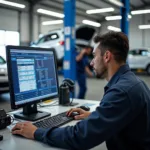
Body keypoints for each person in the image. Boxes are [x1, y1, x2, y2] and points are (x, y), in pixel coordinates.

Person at [12, 32, 150, 150]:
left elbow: (80, 137)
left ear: (107, 56)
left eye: (95, 56)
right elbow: (120, 114)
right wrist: (92, 116)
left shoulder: (121, 91)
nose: (91, 62)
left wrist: (36, 132)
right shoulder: (133, 82)